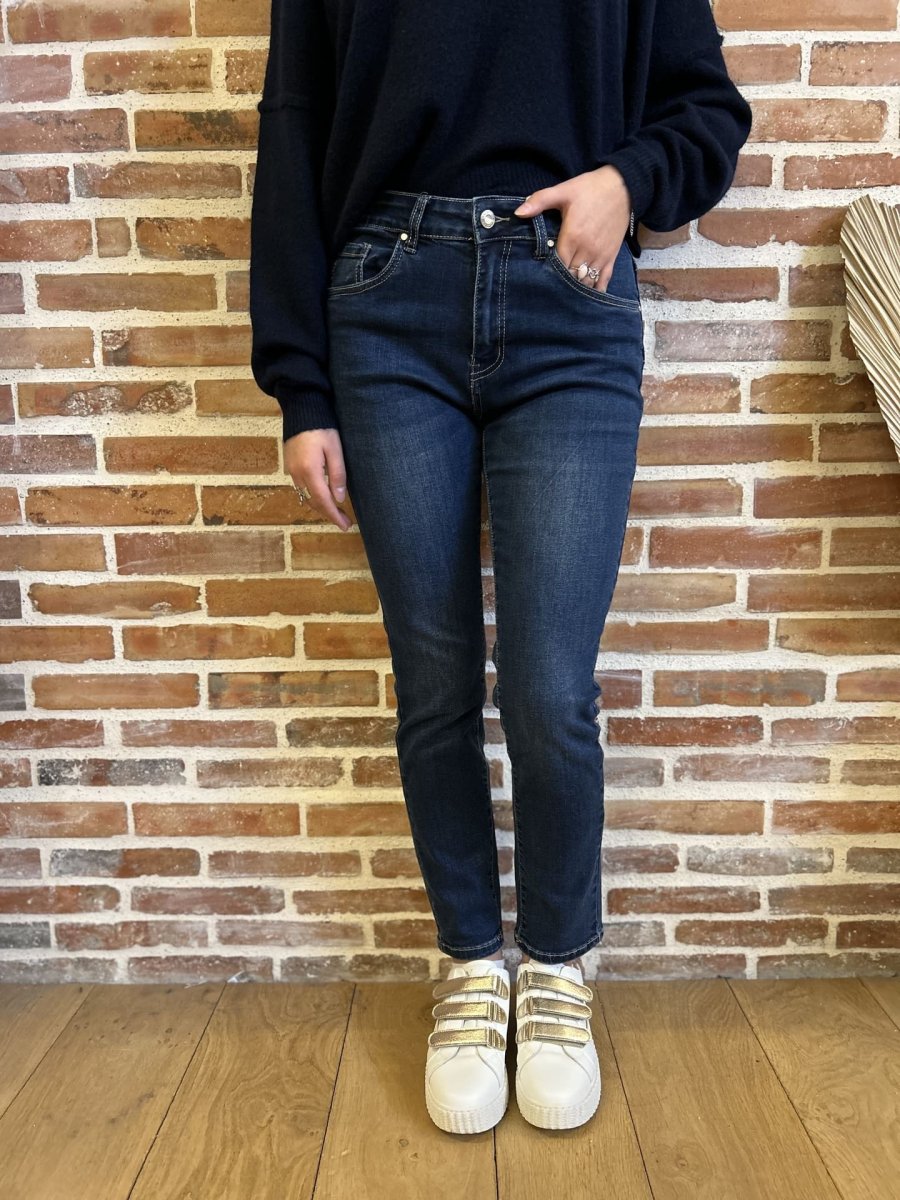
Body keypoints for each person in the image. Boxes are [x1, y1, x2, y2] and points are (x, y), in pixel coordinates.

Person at [250, 0, 752, 1136]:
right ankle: (472, 962)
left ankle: (560, 965)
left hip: (569, 298)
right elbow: (296, 125)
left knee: (547, 688)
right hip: (386, 303)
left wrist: (627, 181)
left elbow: (707, 110)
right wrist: (300, 387)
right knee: (433, 681)